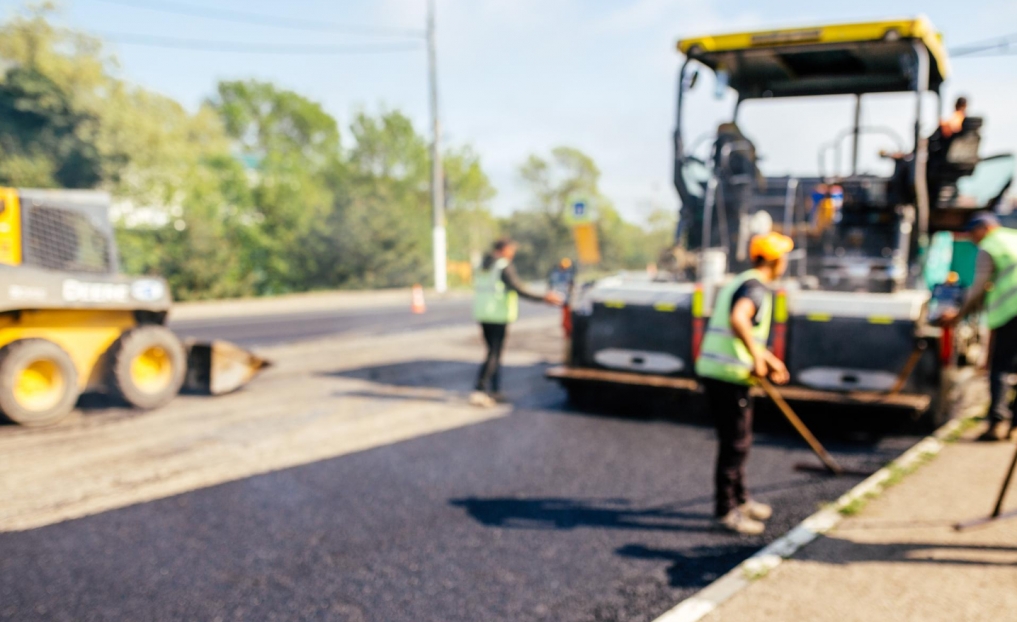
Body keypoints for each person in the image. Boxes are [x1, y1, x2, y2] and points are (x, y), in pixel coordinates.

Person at [695, 232, 793, 535]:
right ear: (774, 260)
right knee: (735, 444)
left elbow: (743, 327)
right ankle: (726, 511)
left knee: (740, 441)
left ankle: (741, 499)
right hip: (727, 375)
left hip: (722, 371)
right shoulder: (756, 289)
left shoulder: (743, 282)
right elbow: (739, 320)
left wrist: (769, 359)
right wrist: (758, 358)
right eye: (784, 257)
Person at [937, 212, 1017, 442]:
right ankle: (1014, 424)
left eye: (972, 233)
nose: (972, 239)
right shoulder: (1013, 237)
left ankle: (997, 423)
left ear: (984, 228)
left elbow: (979, 288)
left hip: (1011, 312)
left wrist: (958, 314)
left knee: (1000, 368)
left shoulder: (990, 246)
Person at [471, 239, 562, 407]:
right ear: (504, 249)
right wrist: (543, 298)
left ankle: (495, 390)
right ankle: (480, 390)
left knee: (493, 352)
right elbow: (518, 288)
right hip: (497, 315)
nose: (512, 253)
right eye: (511, 250)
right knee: (494, 353)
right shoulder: (502, 266)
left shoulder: (482, 264)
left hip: (483, 313)